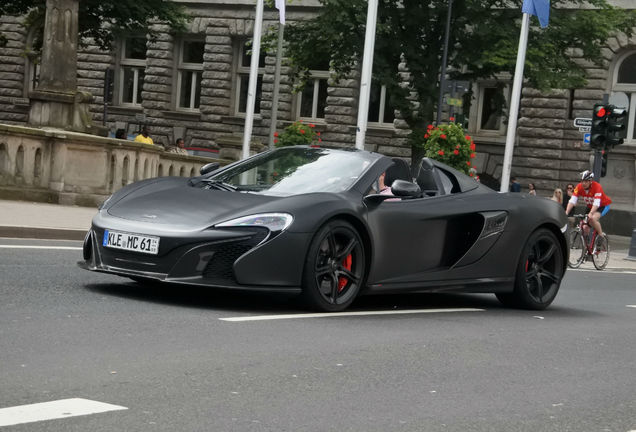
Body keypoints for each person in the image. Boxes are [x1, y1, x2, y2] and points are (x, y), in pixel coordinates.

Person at [565, 170, 612, 237]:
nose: (583, 183)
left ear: (590, 181)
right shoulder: (579, 187)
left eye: (586, 181)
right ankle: (587, 245)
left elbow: (596, 203)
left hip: (602, 205)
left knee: (593, 218)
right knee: (584, 227)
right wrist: (566, 212)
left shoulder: (597, 187)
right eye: (582, 181)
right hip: (590, 206)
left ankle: (601, 236)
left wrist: (591, 213)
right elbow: (572, 200)